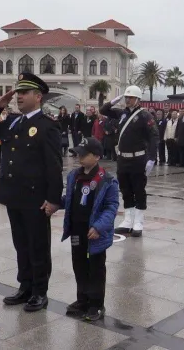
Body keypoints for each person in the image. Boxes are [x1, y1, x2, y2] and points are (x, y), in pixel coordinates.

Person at [0, 72, 63, 312]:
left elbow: (54, 166)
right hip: (13, 195)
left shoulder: (47, 126)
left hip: (35, 198)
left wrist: (53, 200)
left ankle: (39, 291)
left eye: (24, 92)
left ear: (38, 97)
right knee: (21, 244)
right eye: (17, 92)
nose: (19, 97)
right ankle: (25, 286)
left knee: (38, 245)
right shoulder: (13, 121)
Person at [61, 137, 119, 321]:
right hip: (77, 231)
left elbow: (111, 207)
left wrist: (99, 226)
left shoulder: (107, 180)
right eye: (78, 153)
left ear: (96, 156)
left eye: (84, 154)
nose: (79, 157)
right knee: (78, 264)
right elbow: (69, 199)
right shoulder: (74, 176)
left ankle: (96, 303)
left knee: (96, 268)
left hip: (95, 232)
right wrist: (55, 204)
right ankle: (82, 299)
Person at [100, 85, 159, 237]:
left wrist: (151, 158)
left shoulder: (145, 115)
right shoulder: (122, 114)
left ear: (138, 99)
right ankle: (128, 220)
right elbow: (103, 110)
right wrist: (114, 100)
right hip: (123, 158)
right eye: (126, 97)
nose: (127, 100)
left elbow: (154, 137)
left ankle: (138, 221)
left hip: (138, 159)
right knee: (125, 189)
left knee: (138, 190)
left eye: (130, 97)